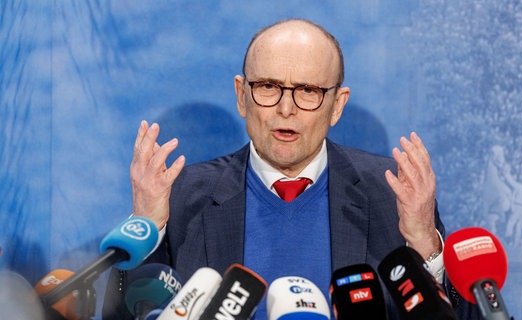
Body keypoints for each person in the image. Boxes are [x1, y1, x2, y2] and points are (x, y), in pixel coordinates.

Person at [103, 19, 479, 319]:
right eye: (268, 86)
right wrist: (148, 226)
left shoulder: (389, 194)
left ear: (337, 105)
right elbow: (125, 313)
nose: (287, 108)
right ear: (242, 96)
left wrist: (426, 246)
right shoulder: (184, 196)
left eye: (308, 91)